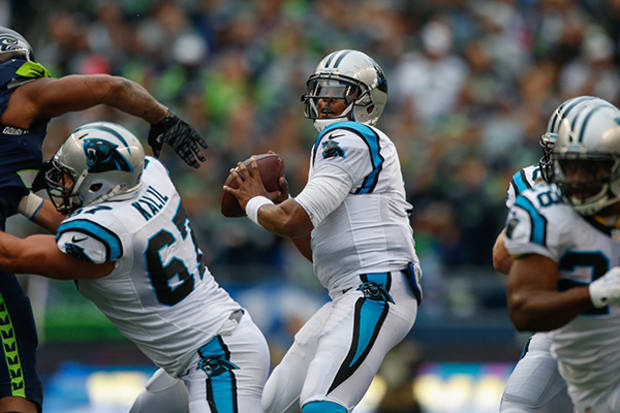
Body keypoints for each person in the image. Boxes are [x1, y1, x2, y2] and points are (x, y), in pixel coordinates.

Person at [0, 27, 207, 413]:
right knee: (16, 381)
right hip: (206, 340)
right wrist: (162, 117)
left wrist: (49, 217)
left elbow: (18, 197)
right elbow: (110, 88)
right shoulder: (24, 94)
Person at [0, 121, 270, 413]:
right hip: (196, 353)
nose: (61, 184)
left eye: (69, 177)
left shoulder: (107, 232)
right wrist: (24, 201)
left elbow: (14, 255)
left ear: (98, 185)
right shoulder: (150, 175)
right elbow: (96, 223)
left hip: (219, 356)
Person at [223, 49, 423, 413]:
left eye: (338, 91)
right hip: (351, 291)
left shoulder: (349, 137)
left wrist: (253, 201)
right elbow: (314, 247)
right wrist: (282, 201)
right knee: (271, 405)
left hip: (375, 289)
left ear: (365, 100)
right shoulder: (348, 144)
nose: (325, 100)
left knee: (323, 402)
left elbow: (289, 220)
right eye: (322, 90)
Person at [493, 96, 617, 413]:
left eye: (587, 166)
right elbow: (502, 259)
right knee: (517, 406)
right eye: (564, 161)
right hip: (566, 329)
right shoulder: (537, 188)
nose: (572, 177)